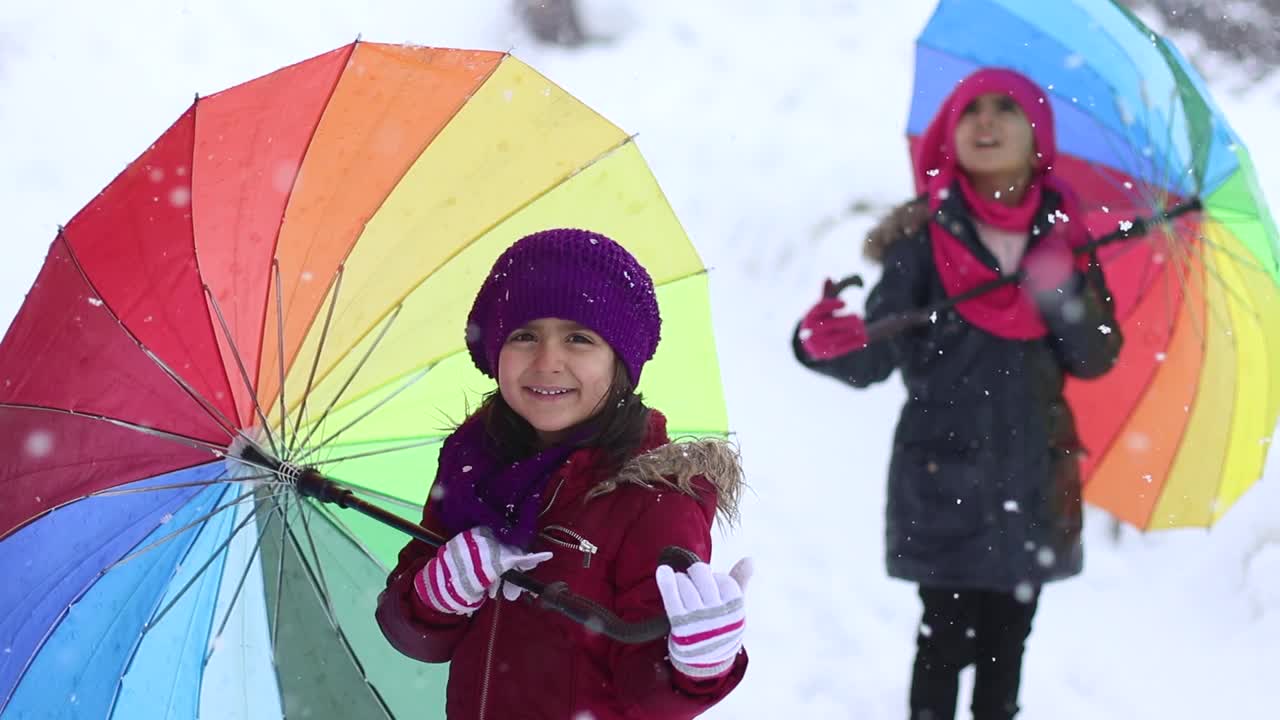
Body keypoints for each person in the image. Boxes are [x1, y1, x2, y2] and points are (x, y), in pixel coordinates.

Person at [792, 68, 1123, 720]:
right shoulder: (922, 237)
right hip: (945, 477)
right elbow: (877, 353)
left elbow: (1094, 354)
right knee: (944, 641)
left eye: (1007, 108)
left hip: (1035, 480)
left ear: (1038, 134)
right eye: (971, 110)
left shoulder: (1065, 236)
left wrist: (1059, 288)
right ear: (949, 132)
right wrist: (823, 343)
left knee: (1010, 642)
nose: (988, 122)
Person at [376, 228, 750, 719]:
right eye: (524, 335)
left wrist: (697, 667)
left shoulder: (655, 498)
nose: (547, 361)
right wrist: (433, 597)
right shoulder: (474, 464)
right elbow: (413, 633)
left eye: (579, 338)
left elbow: (648, 695)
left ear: (620, 361)